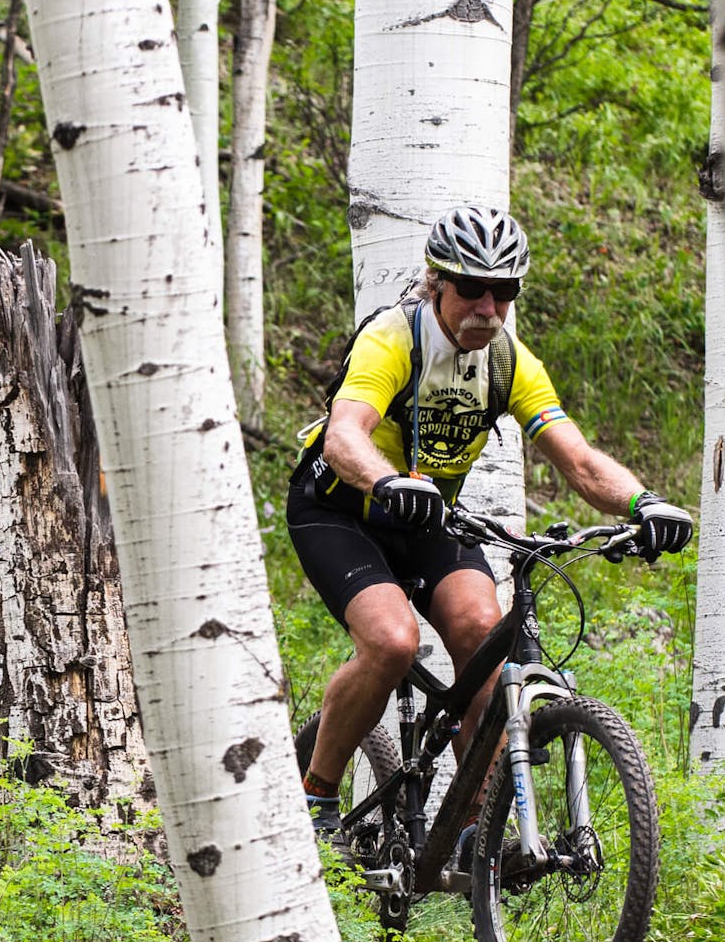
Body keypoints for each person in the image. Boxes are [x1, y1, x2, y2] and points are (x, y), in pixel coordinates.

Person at [287, 205, 693, 853]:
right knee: (393, 643)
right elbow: (343, 436)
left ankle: (479, 832)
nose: (487, 305)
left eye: (503, 290)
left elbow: (581, 462)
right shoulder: (394, 339)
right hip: (342, 508)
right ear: (435, 282)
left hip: (427, 517)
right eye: (472, 288)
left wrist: (644, 503)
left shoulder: (509, 362)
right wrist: (388, 480)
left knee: (482, 637)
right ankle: (316, 796)